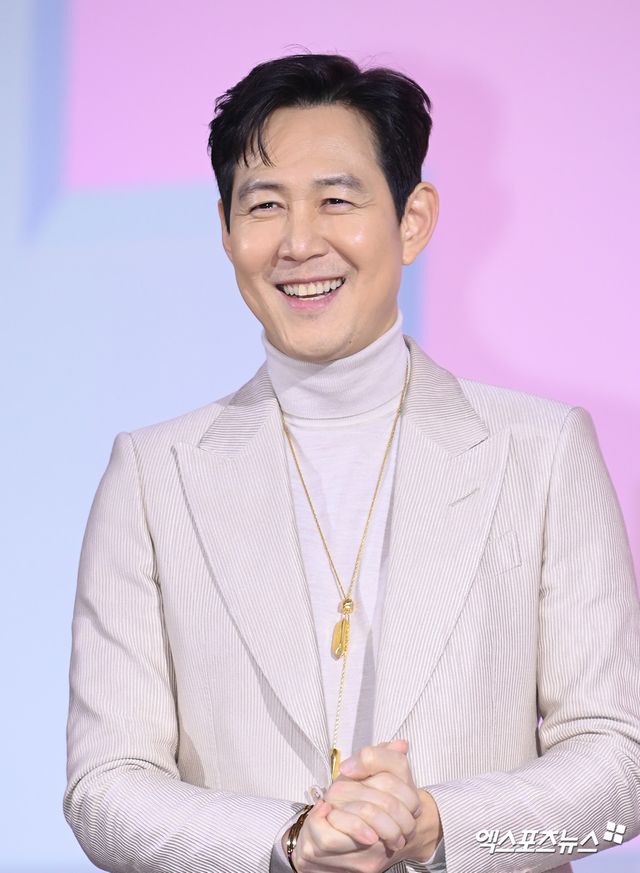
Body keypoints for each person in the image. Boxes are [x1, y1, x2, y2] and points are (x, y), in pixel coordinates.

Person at [63, 53, 640, 873]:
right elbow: (104, 787)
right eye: (265, 204)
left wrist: (442, 826)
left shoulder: (542, 451)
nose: (300, 242)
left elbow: (621, 772)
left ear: (413, 219)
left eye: (336, 200)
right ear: (226, 228)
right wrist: (287, 842)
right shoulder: (154, 475)